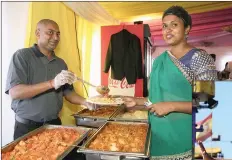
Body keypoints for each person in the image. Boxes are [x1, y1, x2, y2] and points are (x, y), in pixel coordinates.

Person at [123, 6, 217, 160]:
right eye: (164, 26)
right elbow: (156, 100)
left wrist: (171, 106)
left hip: (187, 139)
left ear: (187, 29)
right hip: (157, 137)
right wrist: (137, 102)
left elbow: (208, 103)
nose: (168, 30)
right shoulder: (159, 60)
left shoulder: (200, 58)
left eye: (174, 25)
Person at [5, 19, 95, 140]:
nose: (55, 37)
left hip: (54, 125)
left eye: (58, 34)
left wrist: (86, 102)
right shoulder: (22, 56)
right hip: (27, 128)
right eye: (50, 32)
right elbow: (15, 92)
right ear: (38, 34)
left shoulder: (61, 63)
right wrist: (52, 83)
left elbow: (68, 93)